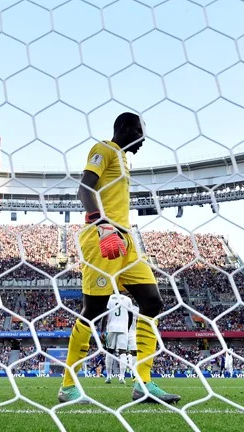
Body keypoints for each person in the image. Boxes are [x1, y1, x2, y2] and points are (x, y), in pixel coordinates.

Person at [58, 112, 181, 404]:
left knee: (153, 302)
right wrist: (101, 224)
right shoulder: (104, 149)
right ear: (124, 128)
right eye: (138, 132)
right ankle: (68, 386)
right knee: (94, 310)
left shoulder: (124, 159)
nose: (142, 139)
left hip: (126, 240)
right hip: (102, 236)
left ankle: (143, 383)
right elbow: (84, 188)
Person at [102, 293, 132, 385]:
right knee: (123, 352)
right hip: (123, 328)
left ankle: (108, 376)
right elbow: (131, 316)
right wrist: (127, 328)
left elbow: (105, 314)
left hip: (111, 328)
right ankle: (122, 377)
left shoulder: (109, 298)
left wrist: (102, 329)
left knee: (109, 351)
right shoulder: (128, 299)